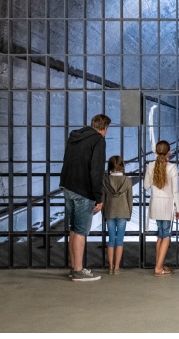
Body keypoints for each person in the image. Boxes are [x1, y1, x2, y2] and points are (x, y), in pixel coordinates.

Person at [60, 113, 110, 282]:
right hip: (83, 191)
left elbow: (66, 161)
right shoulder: (98, 140)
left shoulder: (74, 137)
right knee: (81, 231)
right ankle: (79, 271)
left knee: (73, 228)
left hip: (68, 187)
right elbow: (96, 170)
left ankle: (74, 268)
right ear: (104, 128)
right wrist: (98, 197)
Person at [146, 140, 179, 276]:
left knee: (160, 234)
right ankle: (158, 268)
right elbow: (175, 191)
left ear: (155, 151)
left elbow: (146, 186)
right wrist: (178, 208)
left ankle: (158, 265)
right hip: (167, 205)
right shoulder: (172, 167)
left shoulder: (150, 166)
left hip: (155, 204)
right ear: (169, 152)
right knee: (166, 235)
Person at [102, 156, 132, 275]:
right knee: (119, 240)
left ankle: (110, 267)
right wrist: (128, 213)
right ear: (122, 166)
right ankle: (117, 267)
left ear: (109, 167)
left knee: (111, 240)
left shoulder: (105, 180)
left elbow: (102, 199)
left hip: (110, 212)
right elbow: (130, 199)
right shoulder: (127, 181)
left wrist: (104, 213)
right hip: (123, 212)